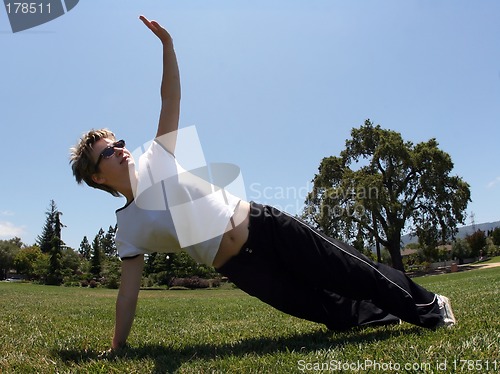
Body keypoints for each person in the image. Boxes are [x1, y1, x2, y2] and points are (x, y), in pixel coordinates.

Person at [70, 16, 456, 351]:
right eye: (108, 152)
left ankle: (432, 307)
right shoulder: (128, 229)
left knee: (350, 270)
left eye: (118, 142)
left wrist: (168, 45)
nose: (121, 149)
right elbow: (127, 294)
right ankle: (384, 316)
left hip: (264, 227)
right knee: (323, 308)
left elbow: (169, 97)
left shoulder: (157, 157)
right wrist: (117, 346)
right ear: (98, 177)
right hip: (243, 270)